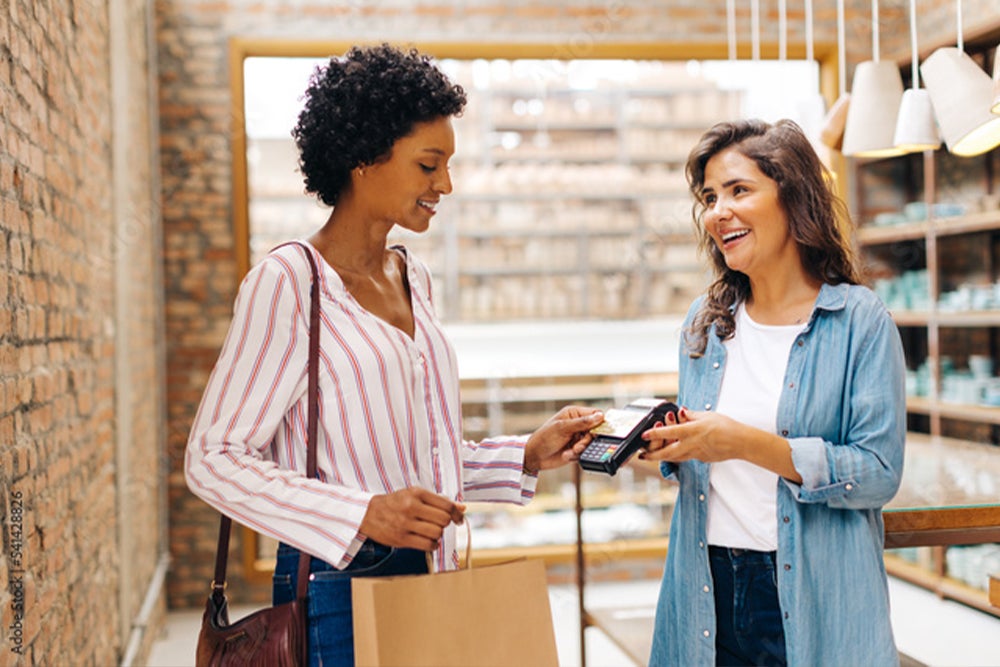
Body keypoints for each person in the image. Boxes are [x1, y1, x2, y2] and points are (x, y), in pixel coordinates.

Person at [184, 43, 604, 667]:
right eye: (428, 165)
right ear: (363, 158)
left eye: (448, 165)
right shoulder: (290, 284)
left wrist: (525, 453)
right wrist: (364, 513)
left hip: (435, 569)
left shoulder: (414, 277)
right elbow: (212, 458)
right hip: (337, 591)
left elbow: (418, 455)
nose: (446, 184)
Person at [640, 119, 906, 667]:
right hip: (705, 581)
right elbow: (704, 458)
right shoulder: (706, 322)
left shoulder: (860, 321)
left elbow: (878, 472)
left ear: (794, 198)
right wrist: (659, 444)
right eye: (710, 197)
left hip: (807, 588)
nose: (718, 211)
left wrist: (741, 442)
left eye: (739, 190)